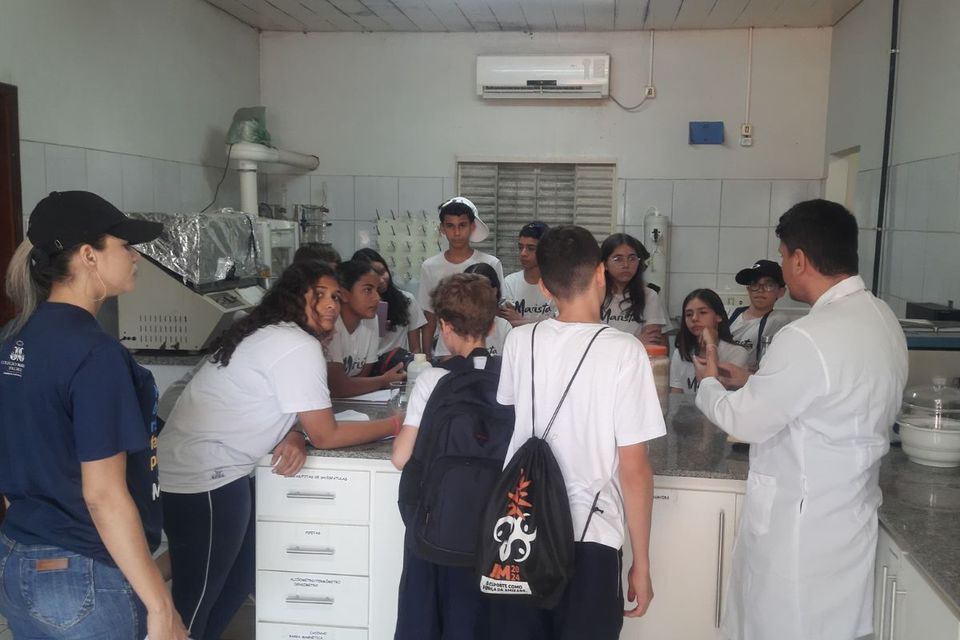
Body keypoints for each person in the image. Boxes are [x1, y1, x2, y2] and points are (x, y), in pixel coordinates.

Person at [693, 199, 908, 640]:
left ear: (799, 260)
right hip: (847, 522)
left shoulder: (807, 336)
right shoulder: (882, 318)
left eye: (782, 255)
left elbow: (744, 422)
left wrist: (710, 383)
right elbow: (828, 398)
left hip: (797, 536)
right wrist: (755, 381)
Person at [158, 260, 400, 640]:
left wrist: (293, 433)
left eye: (335, 297)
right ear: (295, 297)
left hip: (220, 473)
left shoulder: (277, 334)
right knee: (196, 598)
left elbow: (285, 408)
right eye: (318, 295)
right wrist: (397, 425)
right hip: (205, 479)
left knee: (237, 582)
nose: (331, 305)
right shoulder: (296, 343)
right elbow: (326, 434)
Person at [0, 191, 188, 640]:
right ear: (89, 255)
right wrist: (161, 607)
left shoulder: (12, 339)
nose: (135, 256)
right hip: (83, 572)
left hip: (18, 561)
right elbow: (103, 495)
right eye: (124, 245)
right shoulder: (95, 354)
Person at [493, 225, 666, 638]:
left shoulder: (519, 341)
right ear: (601, 273)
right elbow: (634, 468)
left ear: (545, 288)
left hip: (521, 527)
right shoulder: (625, 351)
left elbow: (514, 412)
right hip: (592, 535)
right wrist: (641, 563)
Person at [391, 273, 505, 639]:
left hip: (436, 529)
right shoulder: (514, 378)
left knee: (427, 622)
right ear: (492, 325)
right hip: (496, 533)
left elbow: (401, 458)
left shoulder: (432, 380)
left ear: (443, 325)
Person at [416, 197, 504, 358]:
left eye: (462, 225)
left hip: (486, 346)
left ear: (472, 226)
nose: (457, 233)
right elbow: (429, 316)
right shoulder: (429, 267)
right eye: (450, 226)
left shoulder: (491, 263)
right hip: (446, 350)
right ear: (442, 228)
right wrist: (426, 356)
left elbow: (497, 310)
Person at [325, 259, 406, 397]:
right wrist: (383, 380)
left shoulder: (372, 319)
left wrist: (357, 385)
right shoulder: (331, 324)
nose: (377, 298)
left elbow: (362, 377)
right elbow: (338, 387)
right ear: (343, 294)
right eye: (368, 290)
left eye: (377, 290)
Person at [670, 289, 749, 395]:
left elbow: (716, 392)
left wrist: (711, 345)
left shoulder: (737, 353)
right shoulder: (680, 353)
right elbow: (676, 395)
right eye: (688, 314)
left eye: (702, 312)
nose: (694, 318)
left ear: (719, 316)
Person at [353, 247, 427, 354]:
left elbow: (415, 348)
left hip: (399, 361)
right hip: (365, 361)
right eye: (374, 275)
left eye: (382, 272)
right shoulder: (353, 306)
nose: (381, 280)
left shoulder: (407, 300)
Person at [599, 233, 667, 346]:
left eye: (632, 258)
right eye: (618, 259)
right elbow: (590, 340)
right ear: (605, 264)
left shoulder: (649, 296)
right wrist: (636, 340)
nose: (626, 265)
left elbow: (651, 341)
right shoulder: (594, 295)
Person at [434, 263, 512, 357]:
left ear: (494, 291)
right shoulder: (450, 324)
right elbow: (446, 360)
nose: (473, 297)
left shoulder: (504, 327)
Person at [728, 259, 790, 369]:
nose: (760, 290)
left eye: (769, 285)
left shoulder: (778, 321)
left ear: (781, 292)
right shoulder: (729, 314)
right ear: (748, 289)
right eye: (754, 283)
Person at [499, 221, 554, 326]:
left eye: (531, 248)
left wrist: (521, 321)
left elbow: (560, 325)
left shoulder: (557, 286)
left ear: (545, 250)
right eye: (520, 247)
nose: (523, 253)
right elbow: (507, 324)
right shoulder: (510, 283)